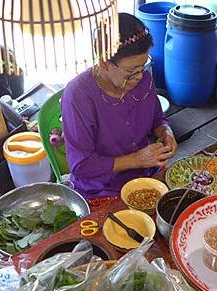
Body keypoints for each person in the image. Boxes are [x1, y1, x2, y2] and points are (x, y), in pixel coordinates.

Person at [62, 13, 177, 199]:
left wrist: (166, 132)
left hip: (146, 174)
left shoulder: (143, 79)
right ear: (104, 63)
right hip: (101, 188)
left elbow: (157, 117)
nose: (139, 76)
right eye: (131, 72)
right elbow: (81, 166)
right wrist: (136, 160)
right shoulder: (78, 96)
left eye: (144, 65)